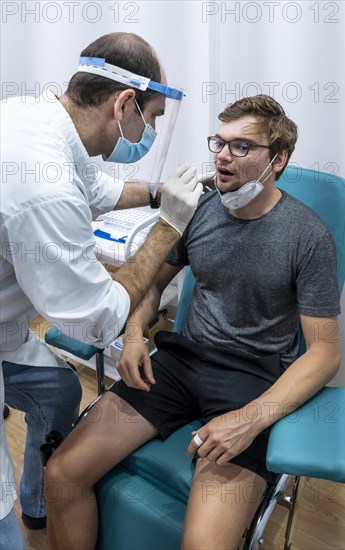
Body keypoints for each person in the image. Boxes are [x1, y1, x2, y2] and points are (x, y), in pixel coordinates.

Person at [45, 94, 341, 550]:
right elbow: (148, 287)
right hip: (181, 362)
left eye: (241, 147)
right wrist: (133, 334)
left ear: (277, 159)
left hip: (253, 379)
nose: (222, 155)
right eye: (218, 143)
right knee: (62, 475)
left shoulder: (307, 236)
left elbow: (324, 352)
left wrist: (251, 418)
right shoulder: (201, 208)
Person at [0, 31, 202, 540]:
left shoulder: (36, 117)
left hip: (4, 326)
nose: (151, 131)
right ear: (125, 103)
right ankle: (14, 513)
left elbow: (95, 188)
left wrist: (158, 193)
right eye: (153, 119)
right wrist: (169, 226)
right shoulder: (42, 181)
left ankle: (37, 501)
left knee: (61, 390)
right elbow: (96, 321)